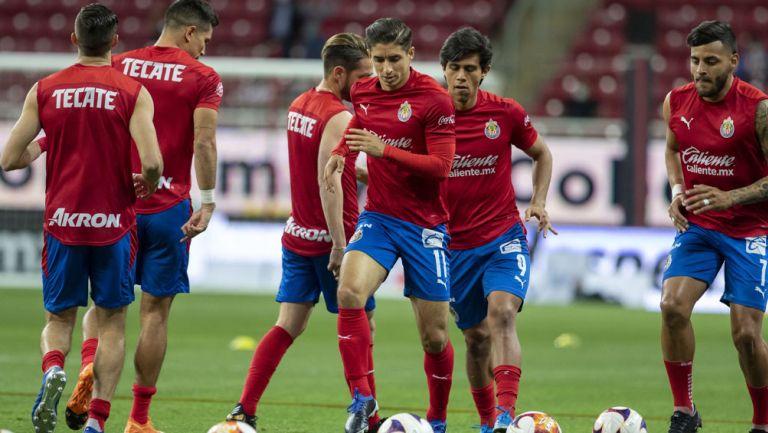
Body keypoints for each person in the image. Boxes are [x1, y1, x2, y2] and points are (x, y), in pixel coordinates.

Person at [0, 4, 163, 433]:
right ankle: (96, 421)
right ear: (114, 41)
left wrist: (50, 142)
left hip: (63, 224)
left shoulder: (46, 89)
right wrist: (142, 183)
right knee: (110, 322)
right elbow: (152, 162)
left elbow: (10, 158)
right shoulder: (133, 92)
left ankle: (54, 368)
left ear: (73, 40)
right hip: (113, 226)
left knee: (59, 319)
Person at [62, 1, 222, 431]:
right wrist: (207, 201)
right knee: (155, 313)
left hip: (116, 206)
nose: (206, 49)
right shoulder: (203, 78)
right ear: (189, 32)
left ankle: (91, 364)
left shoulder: (120, 64)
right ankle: (138, 419)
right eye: (205, 39)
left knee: (105, 304)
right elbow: (204, 143)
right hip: (169, 209)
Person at [223, 32, 377, 431]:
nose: (368, 85)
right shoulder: (339, 116)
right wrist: (342, 245)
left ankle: (244, 408)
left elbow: (321, 165)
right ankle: (364, 406)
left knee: (288, 324)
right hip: (333, 237)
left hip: (297, 233)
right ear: (339, 73)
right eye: (362, 77)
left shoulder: (299, 105)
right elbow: (329, 182)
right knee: (361, 319)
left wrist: (355, 170)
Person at [323, 17, 456, 433]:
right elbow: (361, 125)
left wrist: (384, 152)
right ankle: (362, 399)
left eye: (394, 59)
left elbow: (441, 167)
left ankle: (437, 419)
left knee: (434, 337)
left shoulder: (435, 100)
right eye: (378, 60)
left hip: (425, 225)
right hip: (379, 217)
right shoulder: (362, 90)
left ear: (411, 55)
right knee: (348, 291)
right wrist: (342, 150)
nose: (386, 69)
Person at [439, 27, 556, 433]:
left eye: (470, 69)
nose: (460, 77)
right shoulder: (428, 117)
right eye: (454, 68)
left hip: (502, 238)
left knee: (503, 313)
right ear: (443, 68)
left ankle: (507, 416)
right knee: (474, 339)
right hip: (452, 250)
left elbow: (542, 153)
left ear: (484, 71)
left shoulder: (503, 113)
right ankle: (489, 421)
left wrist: (538, 200)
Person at [662, 20, 768, 433]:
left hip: (751, 230)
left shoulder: (758, 110)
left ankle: (761, 423)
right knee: (671, 306)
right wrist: (675, 191)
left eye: (710, 61)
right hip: (700, 226)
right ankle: (684, 412)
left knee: (744, 334)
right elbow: (672, 148)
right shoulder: (676, 102)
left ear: (733, 61)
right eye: (694, 60)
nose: (700, 69)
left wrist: (732, 196)